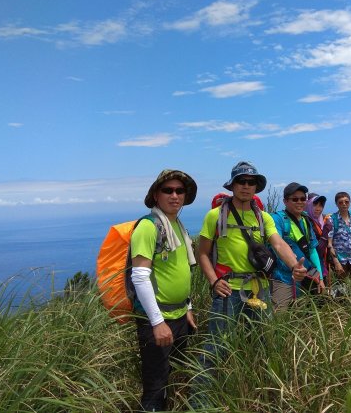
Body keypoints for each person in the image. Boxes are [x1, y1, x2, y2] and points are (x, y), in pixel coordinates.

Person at [194, 162, 306, 403]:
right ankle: (200, 402)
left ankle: (258, 394)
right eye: (241, 181)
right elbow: (202, 253)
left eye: (251, 182)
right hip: (227, 291)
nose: (246, 186)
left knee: (262, 343)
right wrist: (214, 282)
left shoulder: (262, 217)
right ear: (233, 185)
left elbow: (278, 243)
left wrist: (295, 265)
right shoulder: (215, 215)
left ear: (256, 187)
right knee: (216, 347)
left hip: (259, 289)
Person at [130, 169, 198, 412]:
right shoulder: (149, 227)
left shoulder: (177, 226)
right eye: (168, 190)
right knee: (156, 387)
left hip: (179, 317)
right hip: (157, 321)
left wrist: (187, 307)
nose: (175, 195)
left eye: (180, 190)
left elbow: (182, 271)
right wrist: (157, 322)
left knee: (176, 378)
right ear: (156, 195)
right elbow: (139, 276)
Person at [271, 183, 325, 310]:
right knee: (279, 319)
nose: (300, 202)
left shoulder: (305, 219)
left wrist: (320, 277)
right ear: (285, 201)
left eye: (303, 199)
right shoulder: (277, 219)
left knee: (305, 315)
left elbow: (312, 250)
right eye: (295, 199)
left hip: (307, 277)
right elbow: (276, 245)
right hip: (283, 278)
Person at [305, 193, 332, 283]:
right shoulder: (306, 222)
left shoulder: (322, 221)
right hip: (310, 267)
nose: (318, 208)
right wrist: (326, 230)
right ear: (308, 205)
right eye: (315, 204)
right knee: (316, 291)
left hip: (323, 265)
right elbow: (317, 250)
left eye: (321, 205)